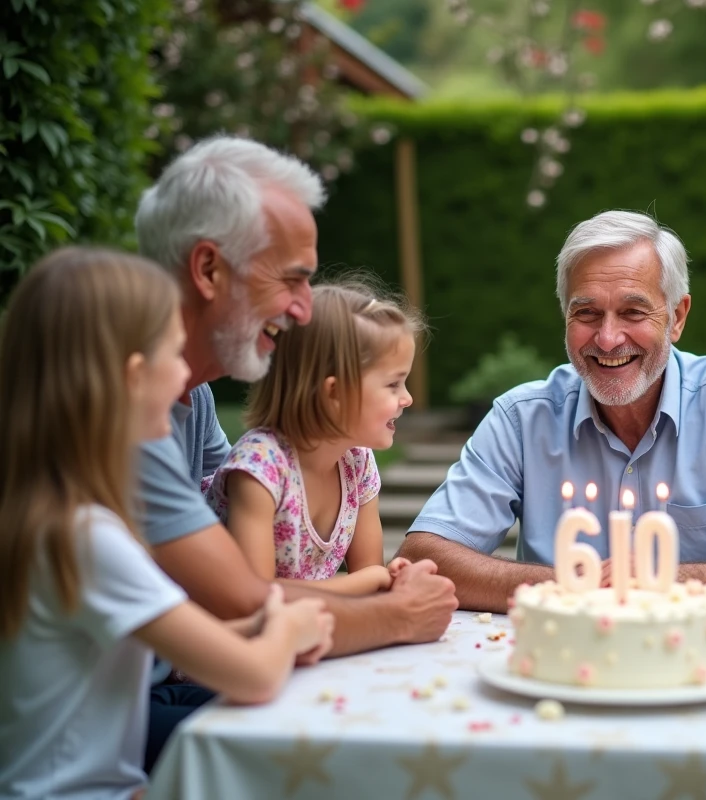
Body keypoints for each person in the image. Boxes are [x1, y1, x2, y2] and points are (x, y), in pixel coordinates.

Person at [133, 136, 457, 766]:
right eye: (293, 279)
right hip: (125, 713)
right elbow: (253, 600)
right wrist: (398, 613)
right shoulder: (125, 419)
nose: (305, 310)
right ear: (208, 270)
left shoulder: (189, 400)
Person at [0, 248, 334, 800]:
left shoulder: (45, 515)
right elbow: (253, 675)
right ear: (134, 378)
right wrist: (288, 629)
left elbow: (168, 647)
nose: (188, 376)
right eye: (175, 354)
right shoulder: (86, 539)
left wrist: (256, 629)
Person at [401, 210, 706, 612]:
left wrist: (662, 583)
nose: (607, 339)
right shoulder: (521, 419)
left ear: (677, 317)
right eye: (586, 313)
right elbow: (423, 555)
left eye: (633, 311)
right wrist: (571, 588)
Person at [206, 282, 422, 594]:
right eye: (393, 384)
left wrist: (387, 580)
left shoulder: (356, 461)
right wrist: (372, 579)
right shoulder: (260, 469)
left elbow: (369, 580)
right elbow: (256, 597)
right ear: (334, 393)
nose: (407, 399)